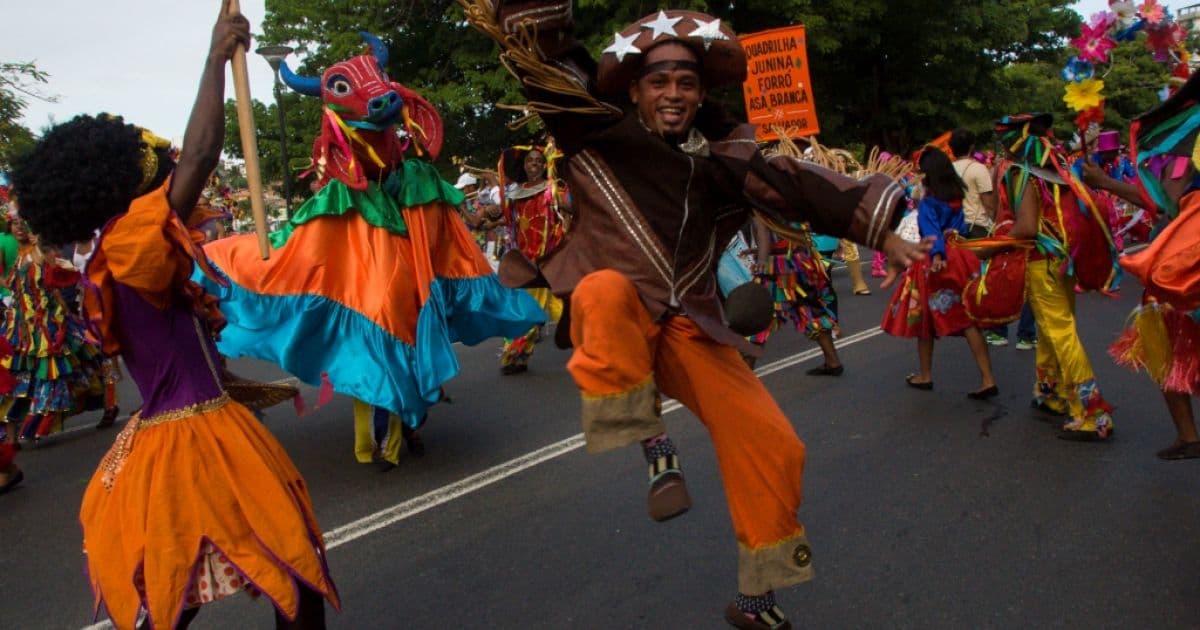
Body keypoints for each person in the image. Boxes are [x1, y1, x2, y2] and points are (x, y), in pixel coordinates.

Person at [464, 5, 928, 627]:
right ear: (634, 89)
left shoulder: (727, 159)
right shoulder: (594, 131)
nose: (673, 94)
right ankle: (655, 444)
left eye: (685, 83)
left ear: (702, 91)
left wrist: (886, 235)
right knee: (601, 288)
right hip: (618, 315)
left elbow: (796, 183)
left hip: (689, 321)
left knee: (776, 443)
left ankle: (757, 596)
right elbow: (550, 60)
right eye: (658, 82)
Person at [10, 5, 339, 628]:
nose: (160, 153)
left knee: (193, 580)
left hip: (184, 432)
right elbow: (201, 156)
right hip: (195, 437)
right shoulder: (130, 245)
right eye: (145, 151)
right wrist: (214, 58)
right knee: (287, 568)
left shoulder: (121, 249)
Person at [194, 33, 546, 435]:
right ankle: (384, 423)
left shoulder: (419, 181)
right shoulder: (338, 199)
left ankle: (403, 408)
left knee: (405, 314)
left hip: (412, 255)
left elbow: (449, 232)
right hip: (367, 274)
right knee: (375, 314)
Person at [1082, 71, 1200, 459]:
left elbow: (1166, 202)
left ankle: (1188, 435)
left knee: (1164, 347)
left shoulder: (1189, 143)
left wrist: (1105, 181)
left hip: (1182, 270)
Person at [994, 113, 1116, 441]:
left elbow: (1027, 227)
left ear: (1017, 140)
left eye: (1004, 137)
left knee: (1059, 332)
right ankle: (1050, 391)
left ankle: (1092, 412)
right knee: (1053, 330)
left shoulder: (1021, 173)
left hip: (1041, 261)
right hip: (1061, 260)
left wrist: (989, 247)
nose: (1002, 145)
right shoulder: (1059, 168)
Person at [881, 148, 998, 399]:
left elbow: (930, 230)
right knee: (968, 321)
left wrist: (936, 255)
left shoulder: (929, 202)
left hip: (933, 262)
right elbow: (961, 227)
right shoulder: (956, 196)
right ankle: (988, 378)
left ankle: (925, 375)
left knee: (924, 320)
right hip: (959, 257)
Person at [497, 144, 569, 374]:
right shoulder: (515, 193)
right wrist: (488, 214)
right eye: (530, 161)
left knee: (571, 308)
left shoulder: (554, 190)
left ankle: (599, 354)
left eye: (539, 160)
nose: (535, 164)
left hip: (554, 260)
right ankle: (515, 355)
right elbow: (508, 222)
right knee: (527, 311)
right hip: (528, 264)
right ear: (524, 165)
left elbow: (569, 209)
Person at [751, 218, 843, 375]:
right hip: (800, 260)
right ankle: (833, 362)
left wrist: (761, 260)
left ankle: (744, 377)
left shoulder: (760, 202)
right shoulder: (791, 198)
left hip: (778, 265)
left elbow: (763, 233)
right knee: (811, 308)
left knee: (759, 316)